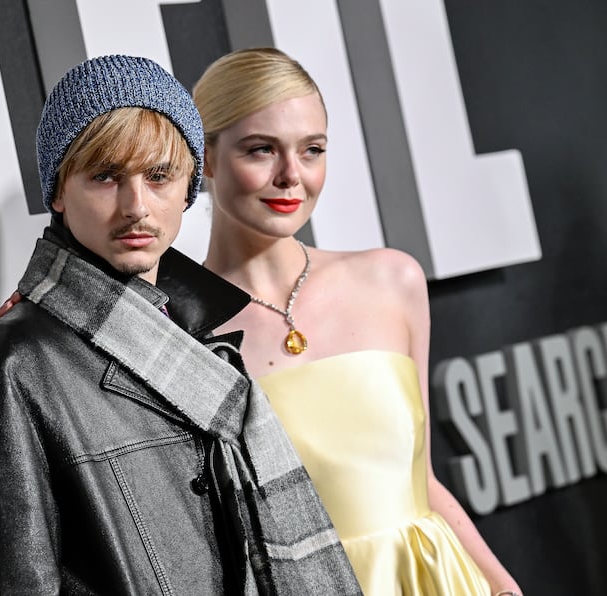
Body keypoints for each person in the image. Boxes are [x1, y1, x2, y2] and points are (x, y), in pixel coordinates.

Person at [0, 54, 361, 595]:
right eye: (106, 176)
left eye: (159, 176)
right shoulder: (9, 368)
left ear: (188, 188)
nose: (137, 206)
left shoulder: (203, 336)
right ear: (58, 192)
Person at [193, 47, 524, 596]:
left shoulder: (392, 281)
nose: (291, 176)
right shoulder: (179, 334)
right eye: (260, 150)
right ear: (205, 157)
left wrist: (504, 586)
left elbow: (422, 481)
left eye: (312, 150)